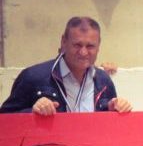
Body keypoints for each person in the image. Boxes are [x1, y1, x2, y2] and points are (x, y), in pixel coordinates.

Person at [1, 16, 132, 115]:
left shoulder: (104, 80)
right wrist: (32, 112)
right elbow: (5, 119)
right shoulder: (33, 77)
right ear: (64, 42)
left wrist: (115, 108)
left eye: (90, 46)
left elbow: (110, 128)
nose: (83, 52)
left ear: (98, 46)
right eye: (77, 45)